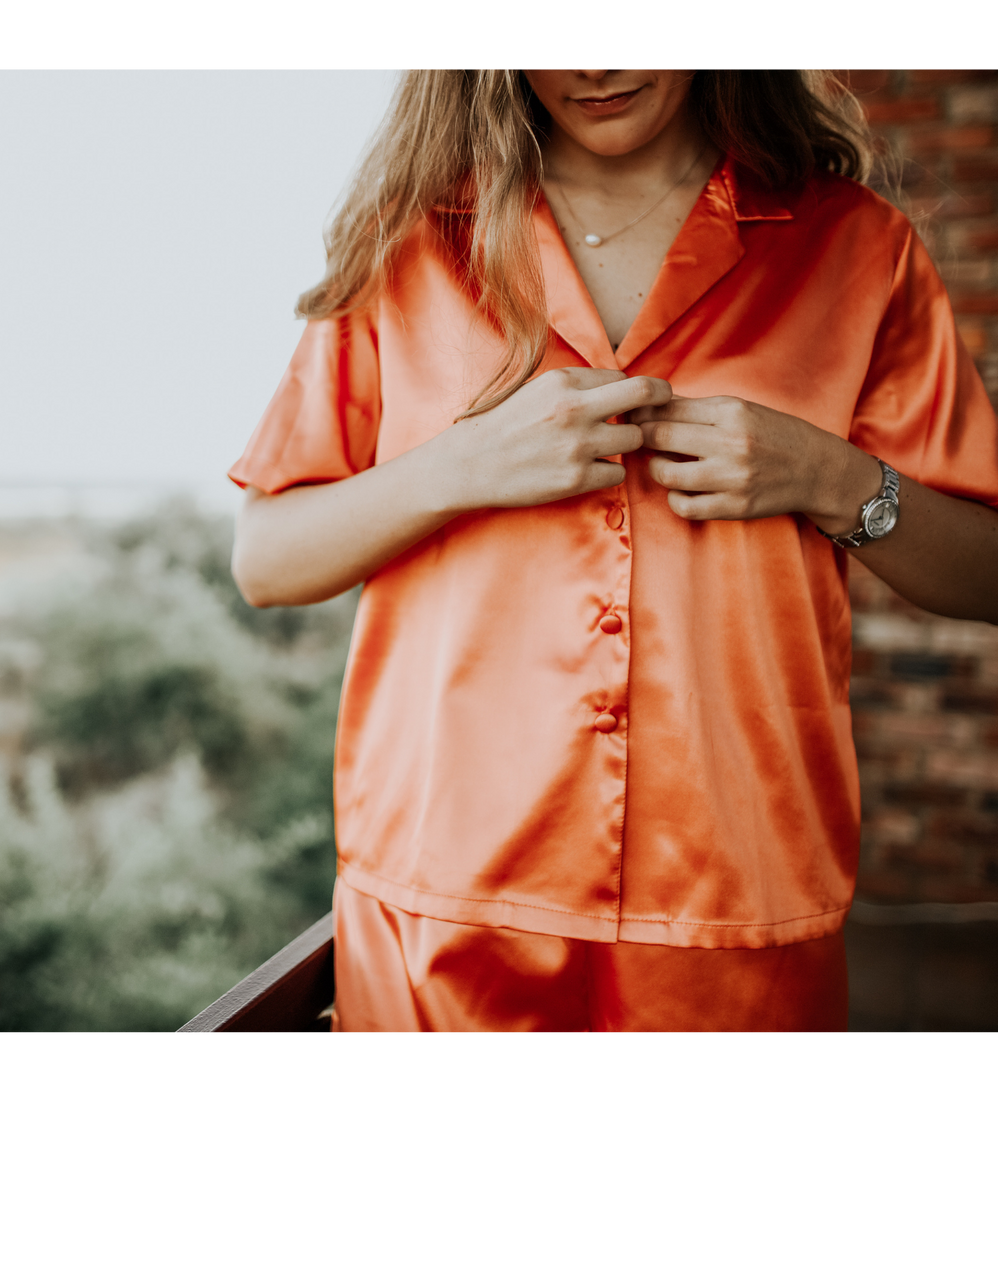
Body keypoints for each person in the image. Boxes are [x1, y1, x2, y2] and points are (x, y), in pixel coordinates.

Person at [228, 66, 998, 1035]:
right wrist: (458, 467)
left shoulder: (852, 243)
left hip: (735, 893)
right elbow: (266, 559)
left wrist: (832, 480)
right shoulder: (409, 238)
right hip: (445, 896)